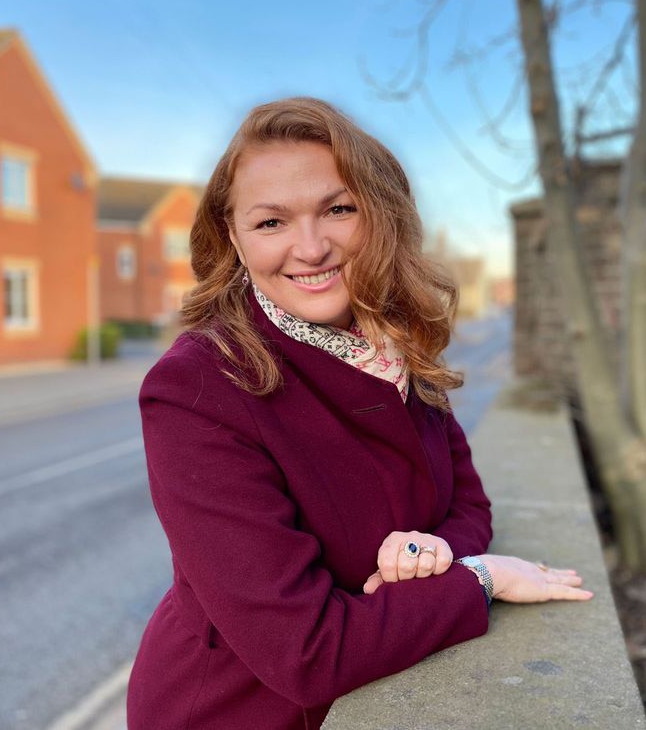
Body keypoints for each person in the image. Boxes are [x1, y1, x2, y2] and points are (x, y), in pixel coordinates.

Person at [126, 97, 594, 730]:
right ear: (233, 236)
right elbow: (307, 653)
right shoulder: (196, 387)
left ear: (380, 214)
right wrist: (475, 580)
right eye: (272, 223)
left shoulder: (393, 345)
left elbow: (468, 505)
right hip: (235, 712)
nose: (311, 247)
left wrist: (426, 557)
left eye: (338, 209)